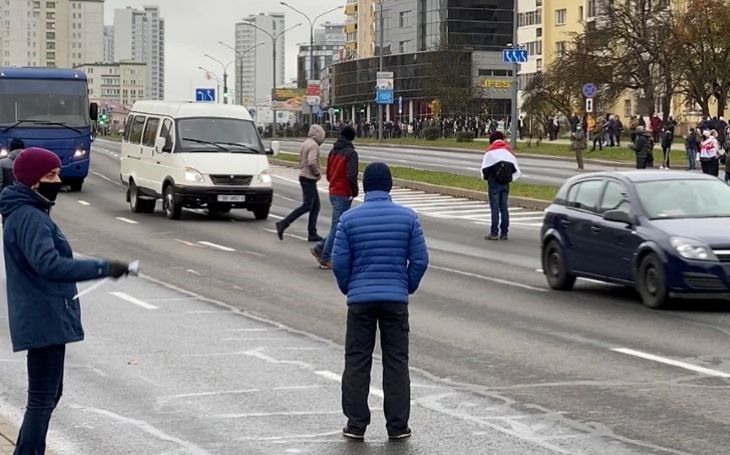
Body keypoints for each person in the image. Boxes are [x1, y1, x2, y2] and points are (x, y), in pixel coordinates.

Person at [0, 148, 131, 455]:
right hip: (42, 315)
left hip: (41, 314)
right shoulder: (30, 217)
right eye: (50, 175)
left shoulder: (27, 212)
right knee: (42, 398)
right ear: (33, 181)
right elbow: (50, 265)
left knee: (48, 395)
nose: (57, 180)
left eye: (58, 173)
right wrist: (103, 268)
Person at [331, 162, 428, 442]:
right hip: (395, 300)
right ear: (389, 186)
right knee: (396, 362)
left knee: (357, 360)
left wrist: (349, 287)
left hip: (360, 301)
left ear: (364, 187)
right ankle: (397, 426)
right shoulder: (408, 218)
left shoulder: (349, 220)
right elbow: (420, 259)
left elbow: (339, 261)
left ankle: (356, 424)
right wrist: (406, 285)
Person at [311, 125, 358, 269]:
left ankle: (320, 248)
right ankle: (325, 257)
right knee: (337, 227)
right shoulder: (351, 153)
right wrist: (354, 191)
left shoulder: (333, 151)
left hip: (333, 190)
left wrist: (333, 182)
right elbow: (351, 175)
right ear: (352, 137)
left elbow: (329, 172)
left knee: (338, 226)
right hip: (344, 192)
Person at [275, 125, 326, 242]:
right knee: (307, 206)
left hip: (303, 176)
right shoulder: (314, 146)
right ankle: (283, 223)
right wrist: (317, 173)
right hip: (309, 178)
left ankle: (312, 232)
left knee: (315, 206)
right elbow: (312, 161)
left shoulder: (306, 142)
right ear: (319, 135)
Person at [481, 132, 521, 241]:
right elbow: (516, 169)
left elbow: (484, 169)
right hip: (505, 183)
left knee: (495, 208)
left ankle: (494, 232)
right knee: (504, 208)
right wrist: (509, 178)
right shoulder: (508, 151)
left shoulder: (490, 151)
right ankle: (504, 233)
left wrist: (488, 178)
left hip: (494, 183)